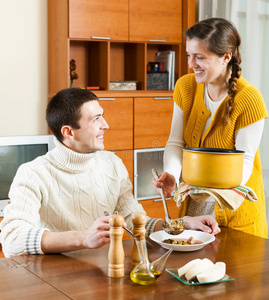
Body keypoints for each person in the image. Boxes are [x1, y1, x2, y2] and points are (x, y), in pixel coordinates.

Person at [0, 88, 220, 258]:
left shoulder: (112, 164)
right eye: (96, 119)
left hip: (104, 274)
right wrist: (83, 238)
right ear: (68, 132)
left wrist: (183, 224)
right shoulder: (32, 173)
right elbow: (12, 239)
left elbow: (137, 224)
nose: (106, 125)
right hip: (56, 279)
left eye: (102, 116)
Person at [152, 17, 268, 239]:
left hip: (234, 211)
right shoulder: (185, 87)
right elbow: (176, 143)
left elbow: (244, 162)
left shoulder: (249, 99)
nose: (190, 64)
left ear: (226, 57)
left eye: (199, 57)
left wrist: (207, 191)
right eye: (189, 55)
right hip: (194, 212)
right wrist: (173, 176)